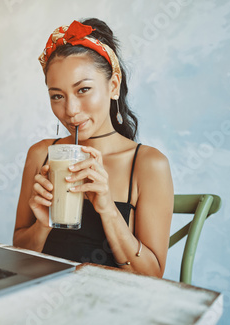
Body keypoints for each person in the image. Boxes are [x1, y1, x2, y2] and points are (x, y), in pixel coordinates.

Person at [13, 18, 173, 277]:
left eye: (83, 89)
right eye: (57, 96)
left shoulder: (148, 164)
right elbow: (18, 257)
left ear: (113, 85)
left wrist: (108, 208)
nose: (70, 111)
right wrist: (42, 225)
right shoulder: (41, 155)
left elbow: (152, 276)